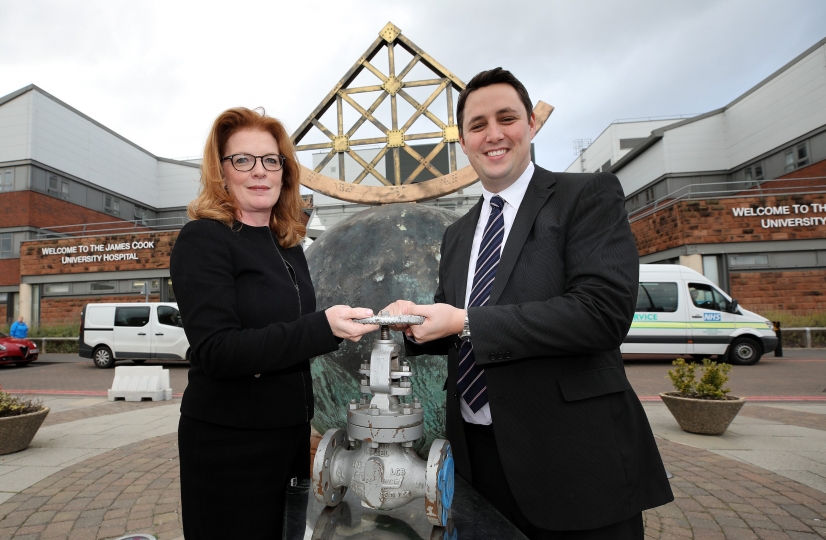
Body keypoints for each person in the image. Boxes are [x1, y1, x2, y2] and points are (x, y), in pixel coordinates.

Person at [385, 68, 673, 539]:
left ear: (532, 125)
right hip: (477, 460)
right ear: (463, 140)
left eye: (507, 118)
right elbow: (458, 324)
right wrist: (413, 323)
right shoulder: (457, 234)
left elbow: (602, 314)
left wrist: (465, 321)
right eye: (478, 125)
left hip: (575, 462)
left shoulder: (586, 196)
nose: (493, 134)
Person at [170, 107, 378, 539]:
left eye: (271, 160)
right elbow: (218, 351)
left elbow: (286, 338)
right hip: (229, 446)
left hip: (288, 440)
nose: (259, 171)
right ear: (221, 172)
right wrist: (323, 328)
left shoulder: (288, 246)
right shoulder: (204, 239)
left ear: (285, 171)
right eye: (242, 160)